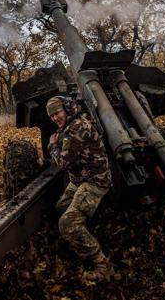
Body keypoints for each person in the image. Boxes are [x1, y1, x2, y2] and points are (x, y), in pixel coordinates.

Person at [46, 96, 114, 284]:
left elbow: (64, 163)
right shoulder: (71, 125)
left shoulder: (76, 128)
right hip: (80, 179)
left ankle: (103, 265)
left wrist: (52, 146)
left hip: (94, 181)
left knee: (66, 223)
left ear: (67, 109)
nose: (55, 118)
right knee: (61, 208)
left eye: (57, 113)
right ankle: (81, 235)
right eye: (51, 115)